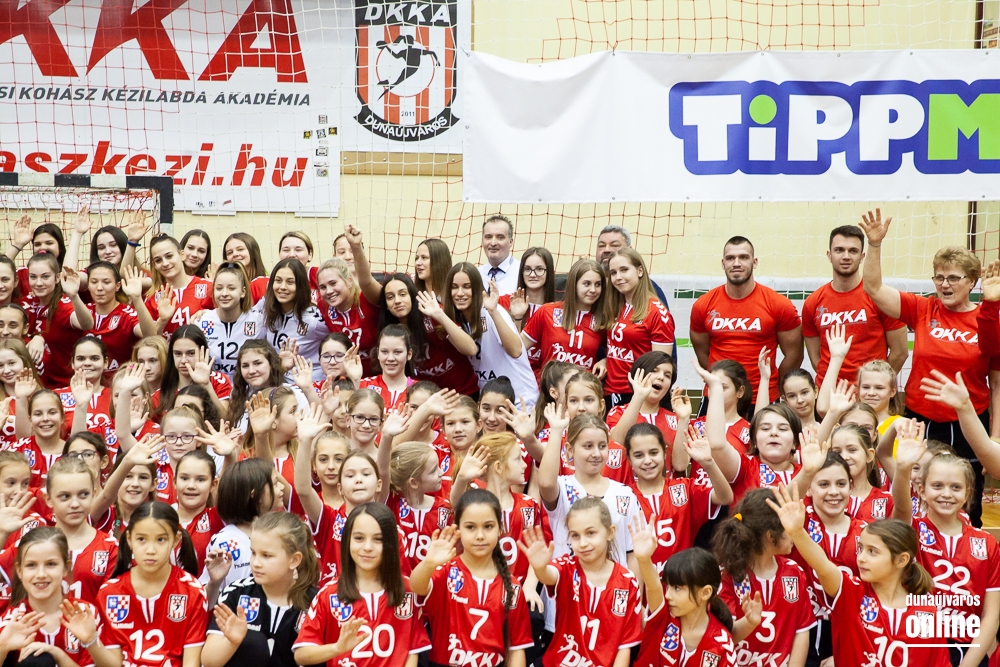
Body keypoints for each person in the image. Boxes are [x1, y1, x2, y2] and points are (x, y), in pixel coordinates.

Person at [860, 208, 1000, 527]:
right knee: (916, 495)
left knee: (966, 501)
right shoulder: (923, 309)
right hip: (920, 419)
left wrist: (994, 438)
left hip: (967, 423)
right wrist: (875, 244)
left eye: (953, 278)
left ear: (972, 281)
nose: (944, 284)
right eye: (939, 277)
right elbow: (874, 288)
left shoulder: (986, 318)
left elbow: (997, 383)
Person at [769, 485, 950, 667]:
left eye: (872, 551)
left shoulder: (926, 612)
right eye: (861, 548)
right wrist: (797, 533)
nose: (861, 558)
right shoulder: (852, 594)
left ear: (901, 560)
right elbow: (822, 566)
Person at [892, 420, 1000, 667]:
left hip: (969, 651)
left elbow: (991, 615)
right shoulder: (911, 530)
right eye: (937, 486)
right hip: (916, 646)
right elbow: (901, 506)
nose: (946, 494)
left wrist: (968, 664)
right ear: (921, 490)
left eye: (956, 487)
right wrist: (903, 467)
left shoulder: (987, 544)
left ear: (968, 492)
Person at [292, 503, 430, 667]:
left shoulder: (408, 590)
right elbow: (301, 655)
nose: (367, 547)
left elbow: (412, 651)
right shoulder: (329, 593)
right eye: (359, 538)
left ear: (392, 543)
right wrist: (337, 648)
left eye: (378, 539)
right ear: (347, 541)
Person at [411, 489, 534, 667]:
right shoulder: (446, 572)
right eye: (470, 527)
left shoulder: (512, 587)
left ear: (500, 528)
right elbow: (417, 586)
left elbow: (516, 649)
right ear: (458, 529)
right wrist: (428, 564)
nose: (480, 535)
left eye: (488, 526)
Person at [82, 502, 210, 666]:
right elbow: (113, 664)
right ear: (129, 539)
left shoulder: (192, 591)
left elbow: (191, 663)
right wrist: (91, 641)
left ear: (176, 540)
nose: (151, 550)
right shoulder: (110, 593)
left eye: (161, 539)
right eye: (141, 539)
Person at [519, 497, 642, 667]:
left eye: (590, 533)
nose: (583, 543)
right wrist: (539, 567)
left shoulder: (627, 581)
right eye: (575, 535)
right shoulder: (566, 566)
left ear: (610, 532)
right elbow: (548, 575)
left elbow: (624, 647)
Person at [689, 236, 802, 404]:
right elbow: (703, 354)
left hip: (763, 397)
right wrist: (721, 383)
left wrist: (774, 387)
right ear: (723, 263)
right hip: (718, 396)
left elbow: (794, 355)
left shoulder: (779, 304)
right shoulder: (703, 305)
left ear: (754, 262)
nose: (736, 263)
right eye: (730, 258)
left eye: (743, 257)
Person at [711, 489, 815, 667]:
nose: (795, 532)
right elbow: (725, 636)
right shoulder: (727, 577)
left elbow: (801, 631)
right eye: (788, 528)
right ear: (770, 536)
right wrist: (749, 623)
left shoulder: (795, 572)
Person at [203, 511, 321, 667]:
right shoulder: (236, 593)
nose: (256, 563)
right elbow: (208, 661)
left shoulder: (316, 603)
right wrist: (232, 642)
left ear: (294, 560)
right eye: (253, 553)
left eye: (266, 555)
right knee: (254, 642)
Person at [801, 225, 908, 387]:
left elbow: (900, 353)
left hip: (869, 396)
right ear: (829, 255)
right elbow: (816, 359)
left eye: (853, 251)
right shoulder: (813, 302)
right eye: (839, 250)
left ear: (862, 256)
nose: (846, 256)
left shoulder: (881, 298)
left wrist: (875, 386)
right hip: (830, 395)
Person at [0, 527, 107, 667]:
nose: (41, 574)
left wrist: (59, 655)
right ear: (19, 571)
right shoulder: (11, 621)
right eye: (31, 565)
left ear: (66, 568)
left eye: (51, 564)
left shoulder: (86, 614)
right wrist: (2, 647)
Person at [628, 537, 738, 667]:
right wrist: (644, 560)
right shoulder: (663, 616)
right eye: (668, 587)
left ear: (705, 592)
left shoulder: (722, 643)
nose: (667, 595)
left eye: (677, 588)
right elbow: (653, 586)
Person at [443, 262, 538, 405]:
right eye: (454, 287)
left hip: (520, 400)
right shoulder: (453, 321)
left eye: (467, 287)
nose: (460, 293)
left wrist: (493, 311)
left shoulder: (491, 311)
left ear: (477, 288)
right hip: (491, 401)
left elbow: (516, 350)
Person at [603, 248, 674, 406]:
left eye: (624, 270)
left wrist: (644, 396)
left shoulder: (657, 312)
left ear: (640, 271)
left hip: (638, 394)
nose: (618, 277)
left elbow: (661, 365)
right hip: (611, 392)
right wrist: (604, 361)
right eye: (613, 272)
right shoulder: (613, 306)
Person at [521, 258, 607, 382]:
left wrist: (605, 361)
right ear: (574, 284)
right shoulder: (547, 311)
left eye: (598, 284)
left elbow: (614, 353)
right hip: (549, 387)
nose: (593, 290)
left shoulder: (602, 320)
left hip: (583, 389)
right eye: (587, 284)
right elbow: (518, 348)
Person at [198, 262, 263, 380]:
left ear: (243, 292)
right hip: (213, 387)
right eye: (219, 288)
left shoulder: (258, 321)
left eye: (231, 288)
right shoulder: (202, 321)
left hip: (249, 387)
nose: (224, 293)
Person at [143, 234, 215, 339]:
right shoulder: (152, 298)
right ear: (154, 265)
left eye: (169, 256)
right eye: (158, 260)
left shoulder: (208, 287)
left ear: (182, 255)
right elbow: (150, 340)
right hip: (166, 350)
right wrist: (162, 321)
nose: (165, 263)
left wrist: (208, 314)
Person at [477, 214, 519, 295]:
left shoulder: (521, 272)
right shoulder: (476, 274)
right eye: (488, 237)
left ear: (510, 242)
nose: (493, 243)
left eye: (500, 237)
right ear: (482, 241)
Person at [223, 233, 269, 303]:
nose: (235, 254)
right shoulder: (225, 291)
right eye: (230, 253)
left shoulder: (269, 282)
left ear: (253, 252)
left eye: (240, 249)